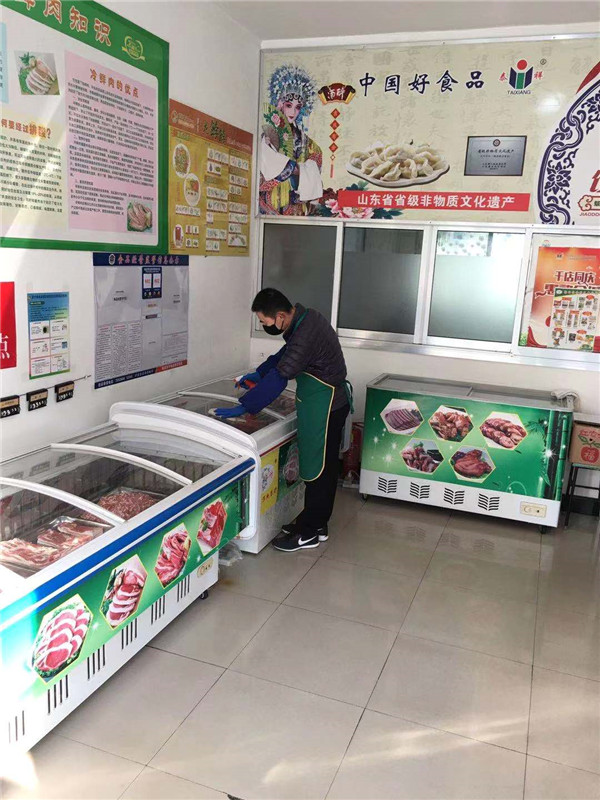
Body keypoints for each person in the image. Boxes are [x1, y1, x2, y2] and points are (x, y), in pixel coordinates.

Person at [214, 289, 351, 552]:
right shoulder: (304, 320)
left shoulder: (305, 331)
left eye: (264, 321)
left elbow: (281, 375)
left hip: (327, 405)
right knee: (321, 466)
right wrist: (257, 374)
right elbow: (282, 358)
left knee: (318, 468)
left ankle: (310, 532)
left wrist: (246, 406)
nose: (264, 325)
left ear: (279, 316)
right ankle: (315, 522)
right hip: (322, 403)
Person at [259, 64, 323, 215]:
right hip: (269, 204)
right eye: (288, 105)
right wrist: (296, 168)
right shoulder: (265, 136)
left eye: (298, 107)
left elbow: (316, 163)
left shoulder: (308, 144)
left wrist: (294, 168)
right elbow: (262, 173)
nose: (293, 112)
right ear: (279, 104)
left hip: (296, 206)